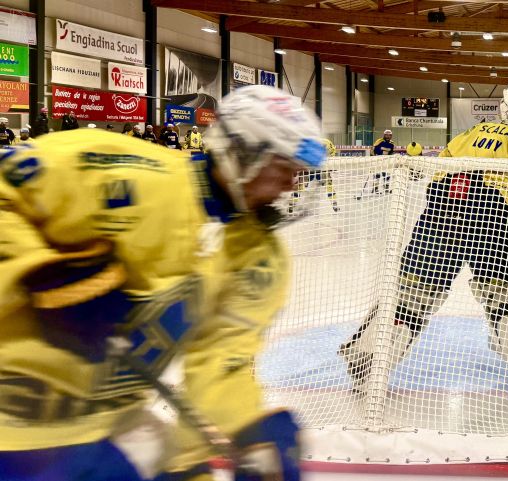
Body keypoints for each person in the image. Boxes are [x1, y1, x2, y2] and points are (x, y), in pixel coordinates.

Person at [0, 85, 327, 481]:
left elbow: (221, 361)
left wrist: (249, 426)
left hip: (108, 429)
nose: (293, 185)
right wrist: (38, 270)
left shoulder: (259, 258)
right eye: (284, 168)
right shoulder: (113, 166)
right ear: (243, 152)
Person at [339, 86, 508, 389]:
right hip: (491, 218)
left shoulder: (467, 135)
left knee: (411, 297)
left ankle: (367, 360)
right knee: (506, 296)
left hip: (438, 215)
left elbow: (438, 174)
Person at [289, 138, 339, 213]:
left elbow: (332, 154)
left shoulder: (323, 144)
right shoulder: (309, 145)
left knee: (328, 184)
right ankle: (292, 204)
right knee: (300, 185)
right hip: (309, 169)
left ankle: (334, 204)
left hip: (319, 170)